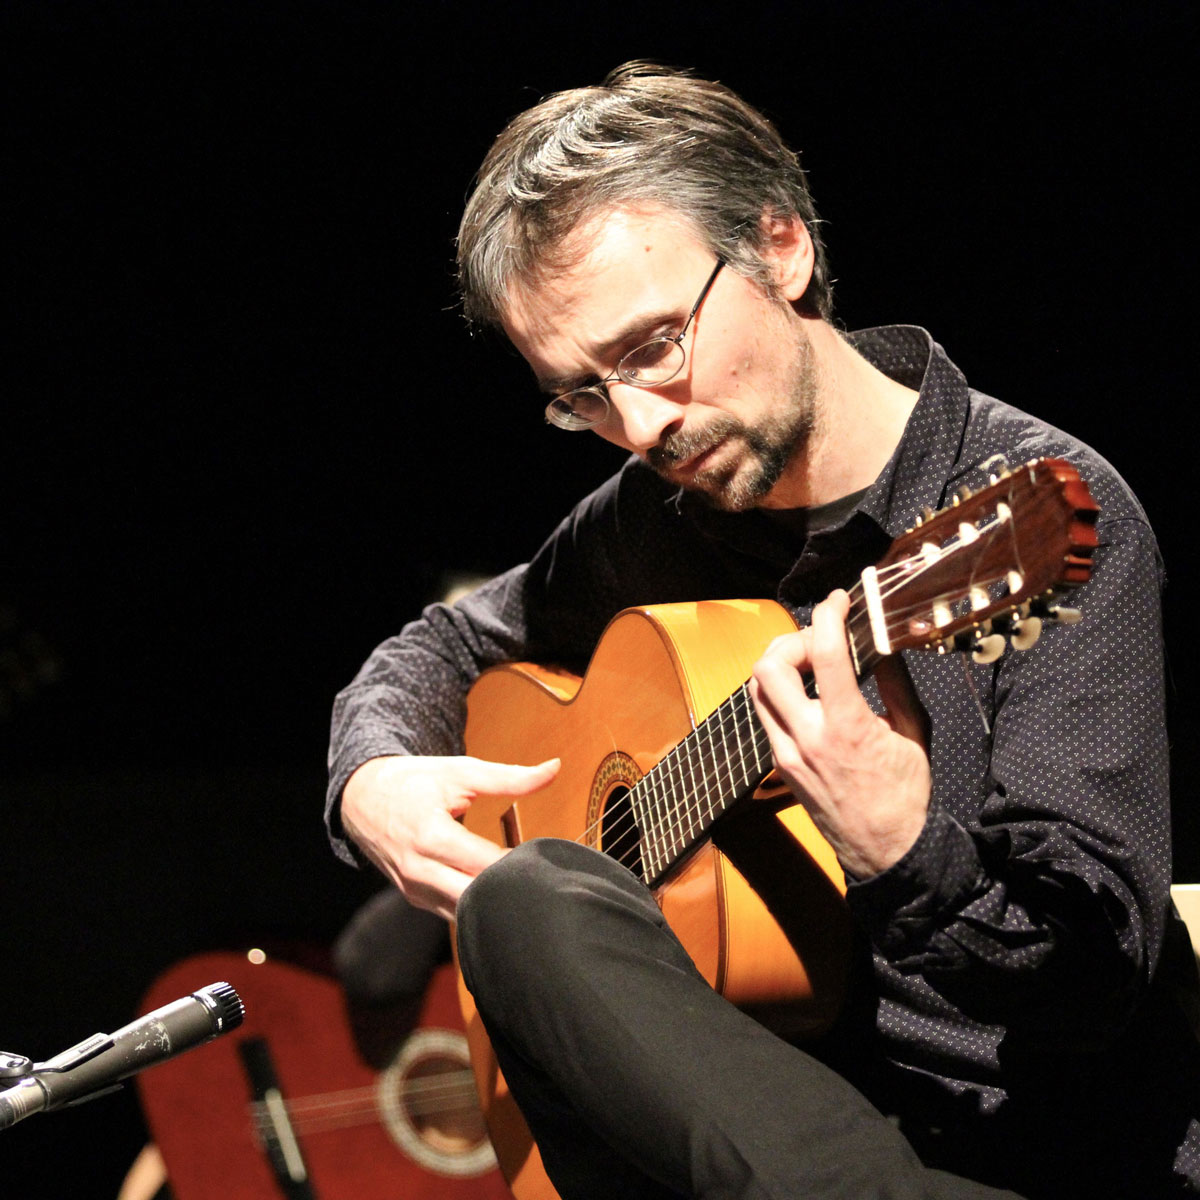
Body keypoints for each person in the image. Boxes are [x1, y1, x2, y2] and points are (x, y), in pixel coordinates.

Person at [326, 63, 1200, 1198]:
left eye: (652, 349)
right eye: (578, 393)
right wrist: (372, 774)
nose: (638, 425)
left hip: (1018, 1162)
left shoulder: (1033, 506)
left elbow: (1093, 989)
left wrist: (903, 845)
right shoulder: (658, 517)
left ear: (781, 248)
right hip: (727, 1149)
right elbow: (443, 646)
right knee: (524, 900)